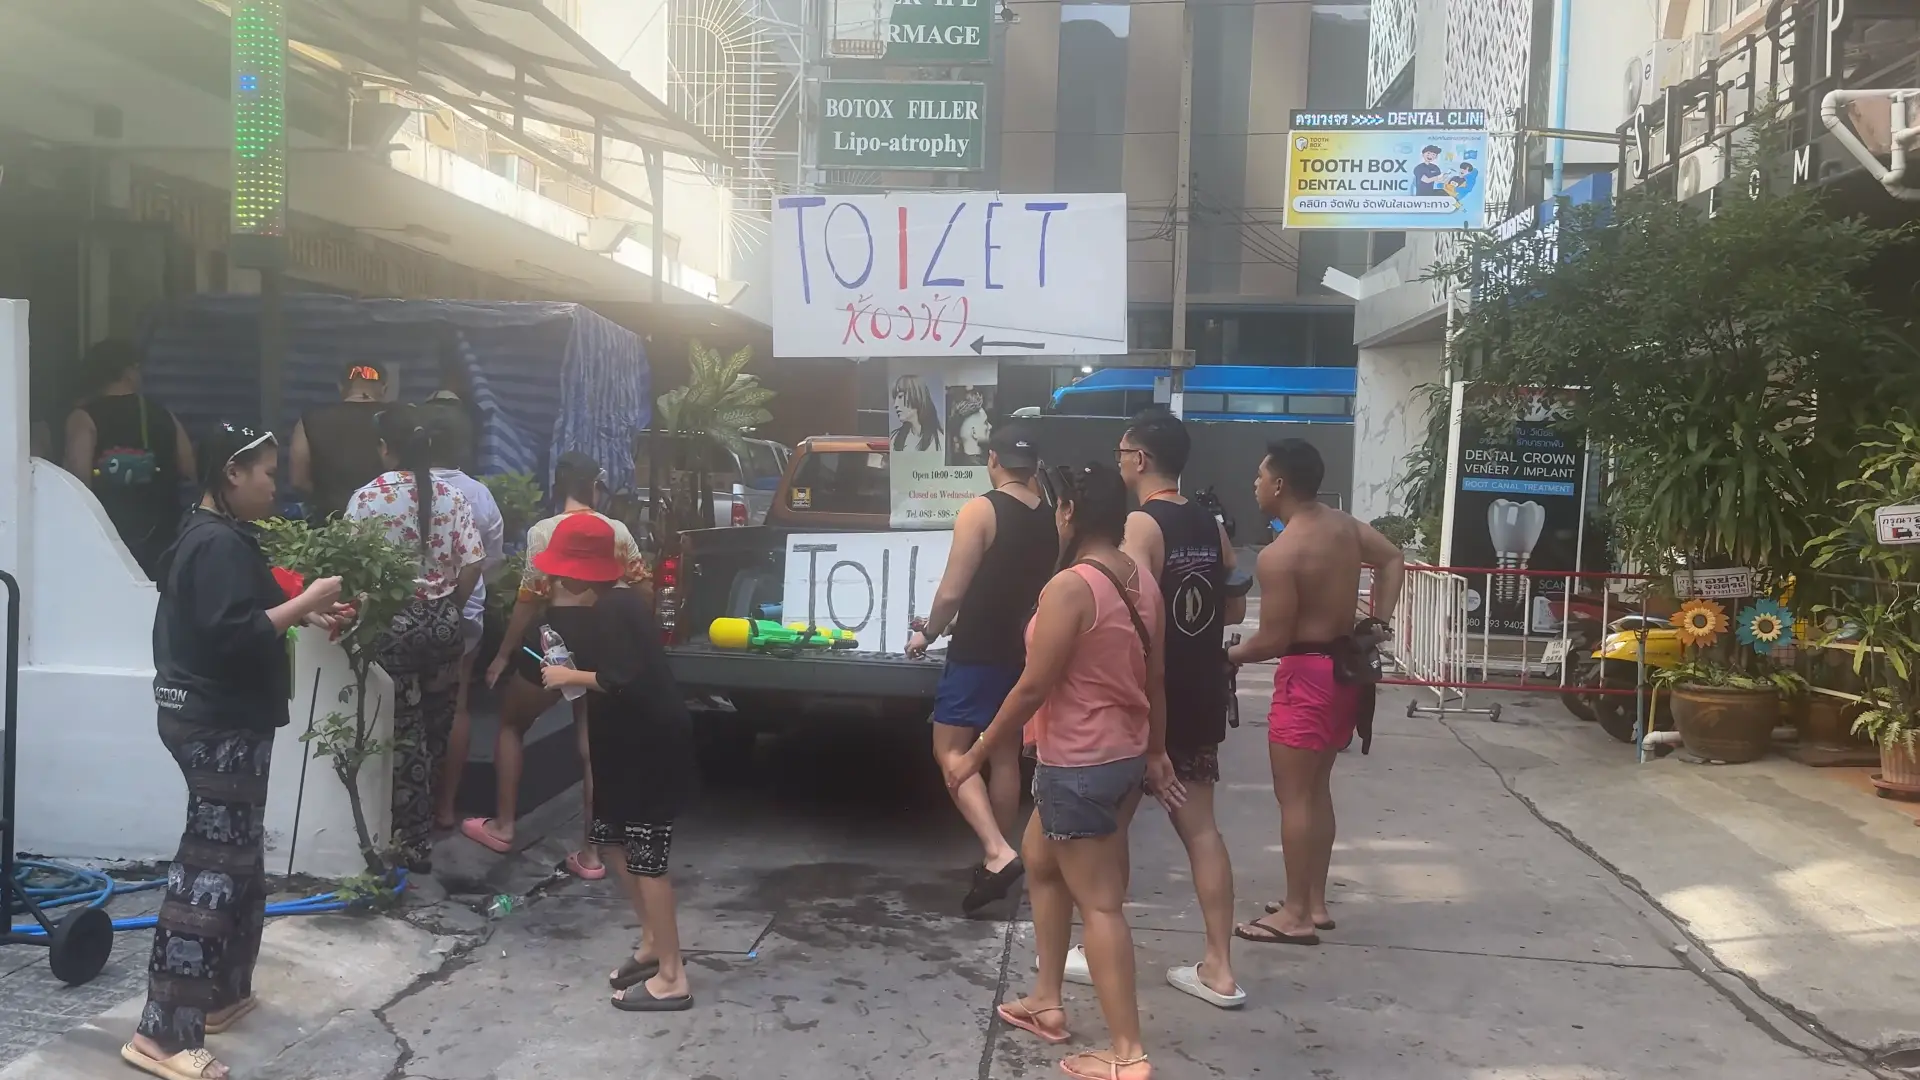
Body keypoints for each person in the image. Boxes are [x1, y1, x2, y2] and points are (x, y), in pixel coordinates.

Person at [124, 423, 350, 1080]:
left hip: (217, 717)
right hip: (216, 723)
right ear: (232, 473)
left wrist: (305, 612)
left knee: (239, 859)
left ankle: (221, 994)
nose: (276, 485)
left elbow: (240, 610)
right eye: (267, 473)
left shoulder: (213, 535)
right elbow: (232, 634)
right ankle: (162, 1034)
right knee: (209, 872)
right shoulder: (217, 541)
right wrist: (308, 598)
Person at [946, 462, 1180, 1080]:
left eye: (1056, 506)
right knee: (1041, 863)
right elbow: (1156, 679)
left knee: (1100, 906)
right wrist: (1156, 752)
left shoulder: (1070, 587)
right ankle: (1047, 1001)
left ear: (1070, 512)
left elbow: (1031, 688)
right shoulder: (1139, 579)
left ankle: (1127, 1053)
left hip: (1079, 764)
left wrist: (974, 755)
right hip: (1120, 756)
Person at [1229, 439, 1404, 946]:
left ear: (1280, 484)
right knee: (1316, 789)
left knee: (1293, 798)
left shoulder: (1280, 555)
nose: (1256, 484)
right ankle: (1313, 901)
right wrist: (1378, 622)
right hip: (1344, 670)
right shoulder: (1343, 527)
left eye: (1261, 476)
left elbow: (1272, 640)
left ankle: (1296, 915)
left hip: (1306, 675)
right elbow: (1393, 559)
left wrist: (1228, 656)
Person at [533, 513, 697, 1012]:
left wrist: (568, 675)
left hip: (648, 746)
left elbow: (623, 678)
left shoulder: (617, 607)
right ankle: (652, 942)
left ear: (577, 572)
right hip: (623, 745)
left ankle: (673, 976)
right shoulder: (611, 604)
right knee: (612, 840)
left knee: (648, 859)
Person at [467, 452, 651, 879]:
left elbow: (529, 599)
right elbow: (643, 589)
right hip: (603, 642)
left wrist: (503, 654)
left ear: (557, 487)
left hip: (555, 642)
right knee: (593, 749)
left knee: (511, 725)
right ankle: (591, 855)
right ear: (596, 487)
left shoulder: (543, 531)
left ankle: (503, 826)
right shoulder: (617, 530)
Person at [1115, 409, 1245, 1007]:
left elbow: (1131, 618)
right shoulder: (1208, 523)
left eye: (1122, 452)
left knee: (1109, 828)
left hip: (1148, 699)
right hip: (1201, 694)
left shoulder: (1142, 523)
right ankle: (1220, 967)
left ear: (1140, 459)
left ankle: (1099, 947)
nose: (1119, 462)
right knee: (1202, 830)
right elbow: (1234, 604)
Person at [905, 423, 1056, 913]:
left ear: (993, 459)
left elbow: (952, 590)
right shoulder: (1051, 516)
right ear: (1033, 465)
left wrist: (929, 631)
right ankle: (999, 854)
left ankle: (997, 851)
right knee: (1004, 754)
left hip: (976, 650)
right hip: (1023, 648)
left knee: (950, 751)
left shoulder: (981, 510)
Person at [346, 405, 484, 869]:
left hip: (394, 627)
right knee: (436, 728)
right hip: (443, 626)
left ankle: (409, 841)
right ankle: (426, 823)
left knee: (404, 733)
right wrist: (451, 607)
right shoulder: (452, 495)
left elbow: (351, 565)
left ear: (386, 447)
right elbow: (473, 563)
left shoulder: (368, 496)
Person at [423, 409, 505, 831]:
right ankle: (445, 808)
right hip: (464, 612)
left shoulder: (400, 488)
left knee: (406, 703)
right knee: (457, 704)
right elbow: (491, 560)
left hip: (406, 615)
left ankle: (404, 805)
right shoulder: (479, 495)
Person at [62, 339, 196, 577]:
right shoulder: (163, 415)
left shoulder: (83, 418)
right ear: (128, 372)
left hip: (107, 540)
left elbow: (76, 481)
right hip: (162, 537)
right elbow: (189, 469)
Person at [291, 361, 389, 523]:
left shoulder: (310, 420)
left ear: (340, 387)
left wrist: (327, 498)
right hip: (386, 521)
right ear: (384, 388)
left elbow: (298, 480)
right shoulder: (399, 418)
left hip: (331, 523)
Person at [890, 373, 942, 453]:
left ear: (916, 396)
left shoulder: (939, 440)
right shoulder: (894, 438)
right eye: (895, 398)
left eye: (900, 396)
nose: (895, 404)